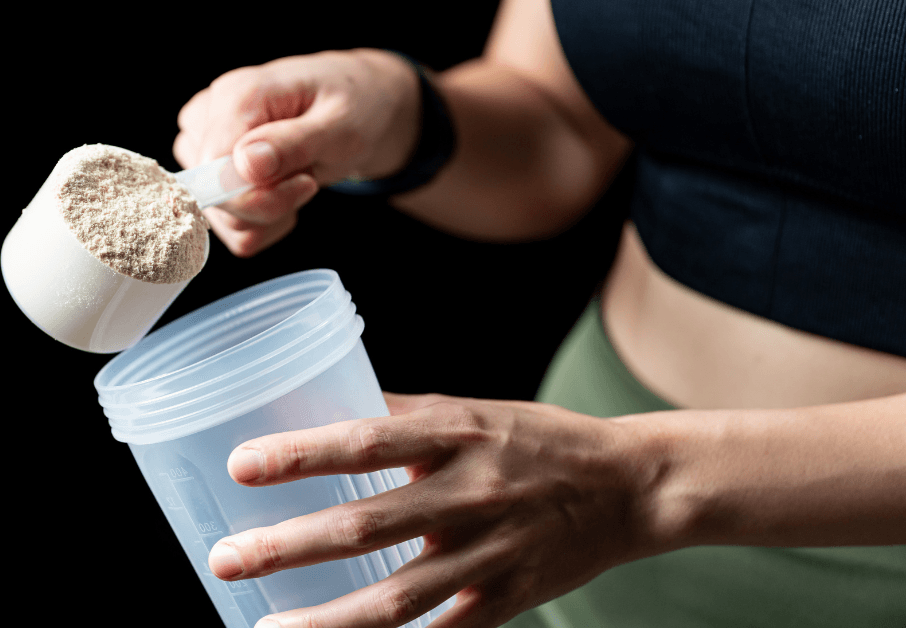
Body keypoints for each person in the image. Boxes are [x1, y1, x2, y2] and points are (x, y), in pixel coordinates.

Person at [170, 0, 906, 626]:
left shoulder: (616, 488)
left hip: (865, 552)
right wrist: (403, 116)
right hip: (573, 479)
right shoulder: (575, 491)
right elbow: (559, 123)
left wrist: (643, 486)